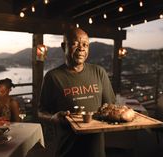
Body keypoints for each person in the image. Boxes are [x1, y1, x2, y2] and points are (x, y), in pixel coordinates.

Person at [38, 27, 116, 157]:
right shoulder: (52, 77)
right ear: (64, 47)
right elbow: (40, 112)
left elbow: (110, 106)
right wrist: (53, 118)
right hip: (67, 150)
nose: (81, 48)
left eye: (85, 44)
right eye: (75, 43)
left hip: (96, 151)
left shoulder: (99, 72)